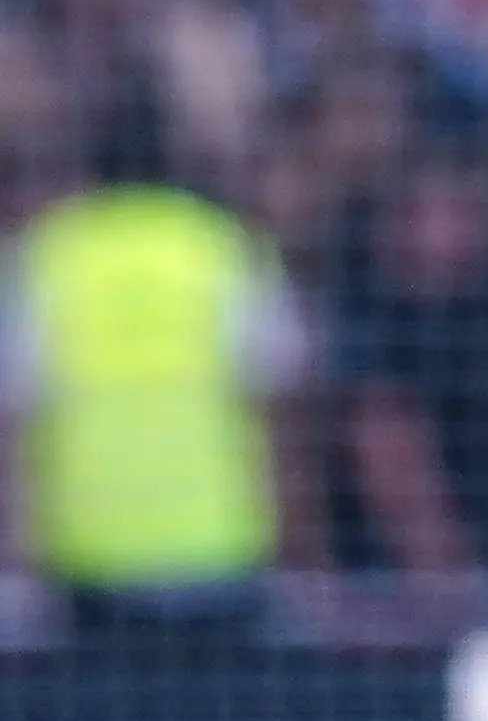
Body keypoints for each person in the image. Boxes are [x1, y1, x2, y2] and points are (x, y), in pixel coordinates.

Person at [0, 90, 299, 646]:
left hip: (88, 557)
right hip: (219, 546)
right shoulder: (222, 246)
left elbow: (13, 420)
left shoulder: (47, 255)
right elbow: (279, 403)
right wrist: (298, 553)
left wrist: (19, 567)